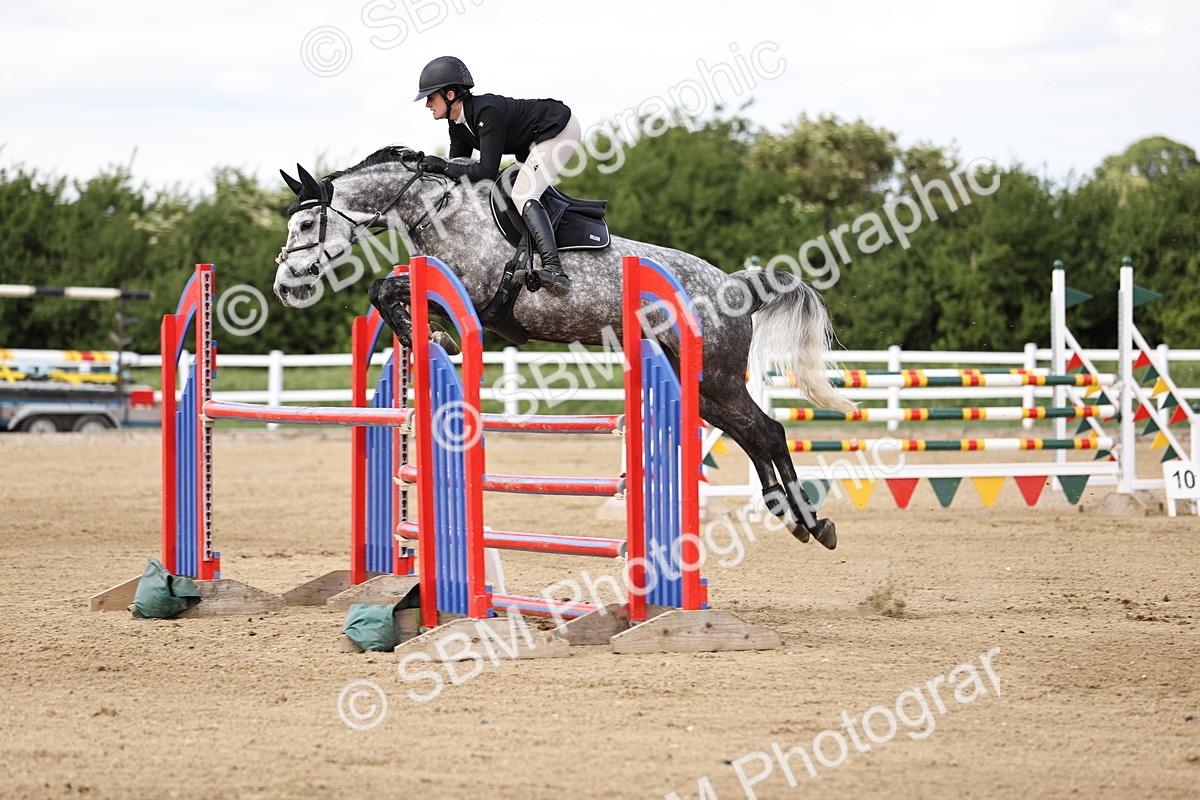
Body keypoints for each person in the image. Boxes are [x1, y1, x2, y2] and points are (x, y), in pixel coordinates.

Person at [413, 56, 581, 295]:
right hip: (533, 142)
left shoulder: (486, 111)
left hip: (558, 130)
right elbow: (457, 168)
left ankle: (555, 270)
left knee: (523, 192)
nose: (427, 104)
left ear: (450, 95)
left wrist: (441, 166)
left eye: (431, 97)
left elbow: (485, 172)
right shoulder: (457, 124)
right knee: (505, 189)